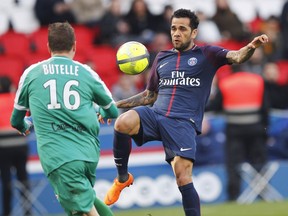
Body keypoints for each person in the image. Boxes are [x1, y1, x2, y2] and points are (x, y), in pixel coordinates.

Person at [102, 8, 269, 216]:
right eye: (173, 28)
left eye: (182, 28)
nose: (176, 33)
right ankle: (122, 178)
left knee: (182, 177)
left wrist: (251, 47)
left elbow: (236, 56)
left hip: (182, 122)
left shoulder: (208, 54)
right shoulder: (162, 58)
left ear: (194, 33)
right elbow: (149, 96)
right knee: (122, 123)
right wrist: (115, 106)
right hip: (156, 115)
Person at [10, 22, 118, 216]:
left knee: (84, 210)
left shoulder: (32, 73)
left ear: (48, 47)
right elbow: (112, 112)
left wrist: (26, 125)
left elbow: (16, 120)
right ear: (74, 46)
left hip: (59, 157)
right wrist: (101, 114)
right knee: (82, 205)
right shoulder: (87, 72)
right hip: (88, 154)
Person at [205, 70, 269, 201]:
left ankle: (233, 196)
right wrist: (264, 129)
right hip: (256, 129)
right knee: (259, 162)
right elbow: (265, 108)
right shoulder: (258, 81)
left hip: (234, 131)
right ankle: (262, 194)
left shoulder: (226, 83)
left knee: (234, 165)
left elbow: (216, 106)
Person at [0, 76, 32, 216]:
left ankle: (7, 212)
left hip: (3, 148)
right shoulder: (17, 100)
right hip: (21, 145)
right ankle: (28, 211)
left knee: (6, 181)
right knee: (23, 178)